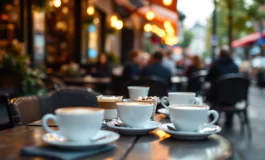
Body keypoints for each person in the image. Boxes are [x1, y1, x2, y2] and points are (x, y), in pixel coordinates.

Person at [206, 46, 239, 128]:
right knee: (229, 93)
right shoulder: (235, 66)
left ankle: (214, 120)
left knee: (209, 91)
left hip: (216, 97)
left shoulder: (215, 65)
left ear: (220, 54)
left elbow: (207, 78)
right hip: (233, 97)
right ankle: (229, 121)